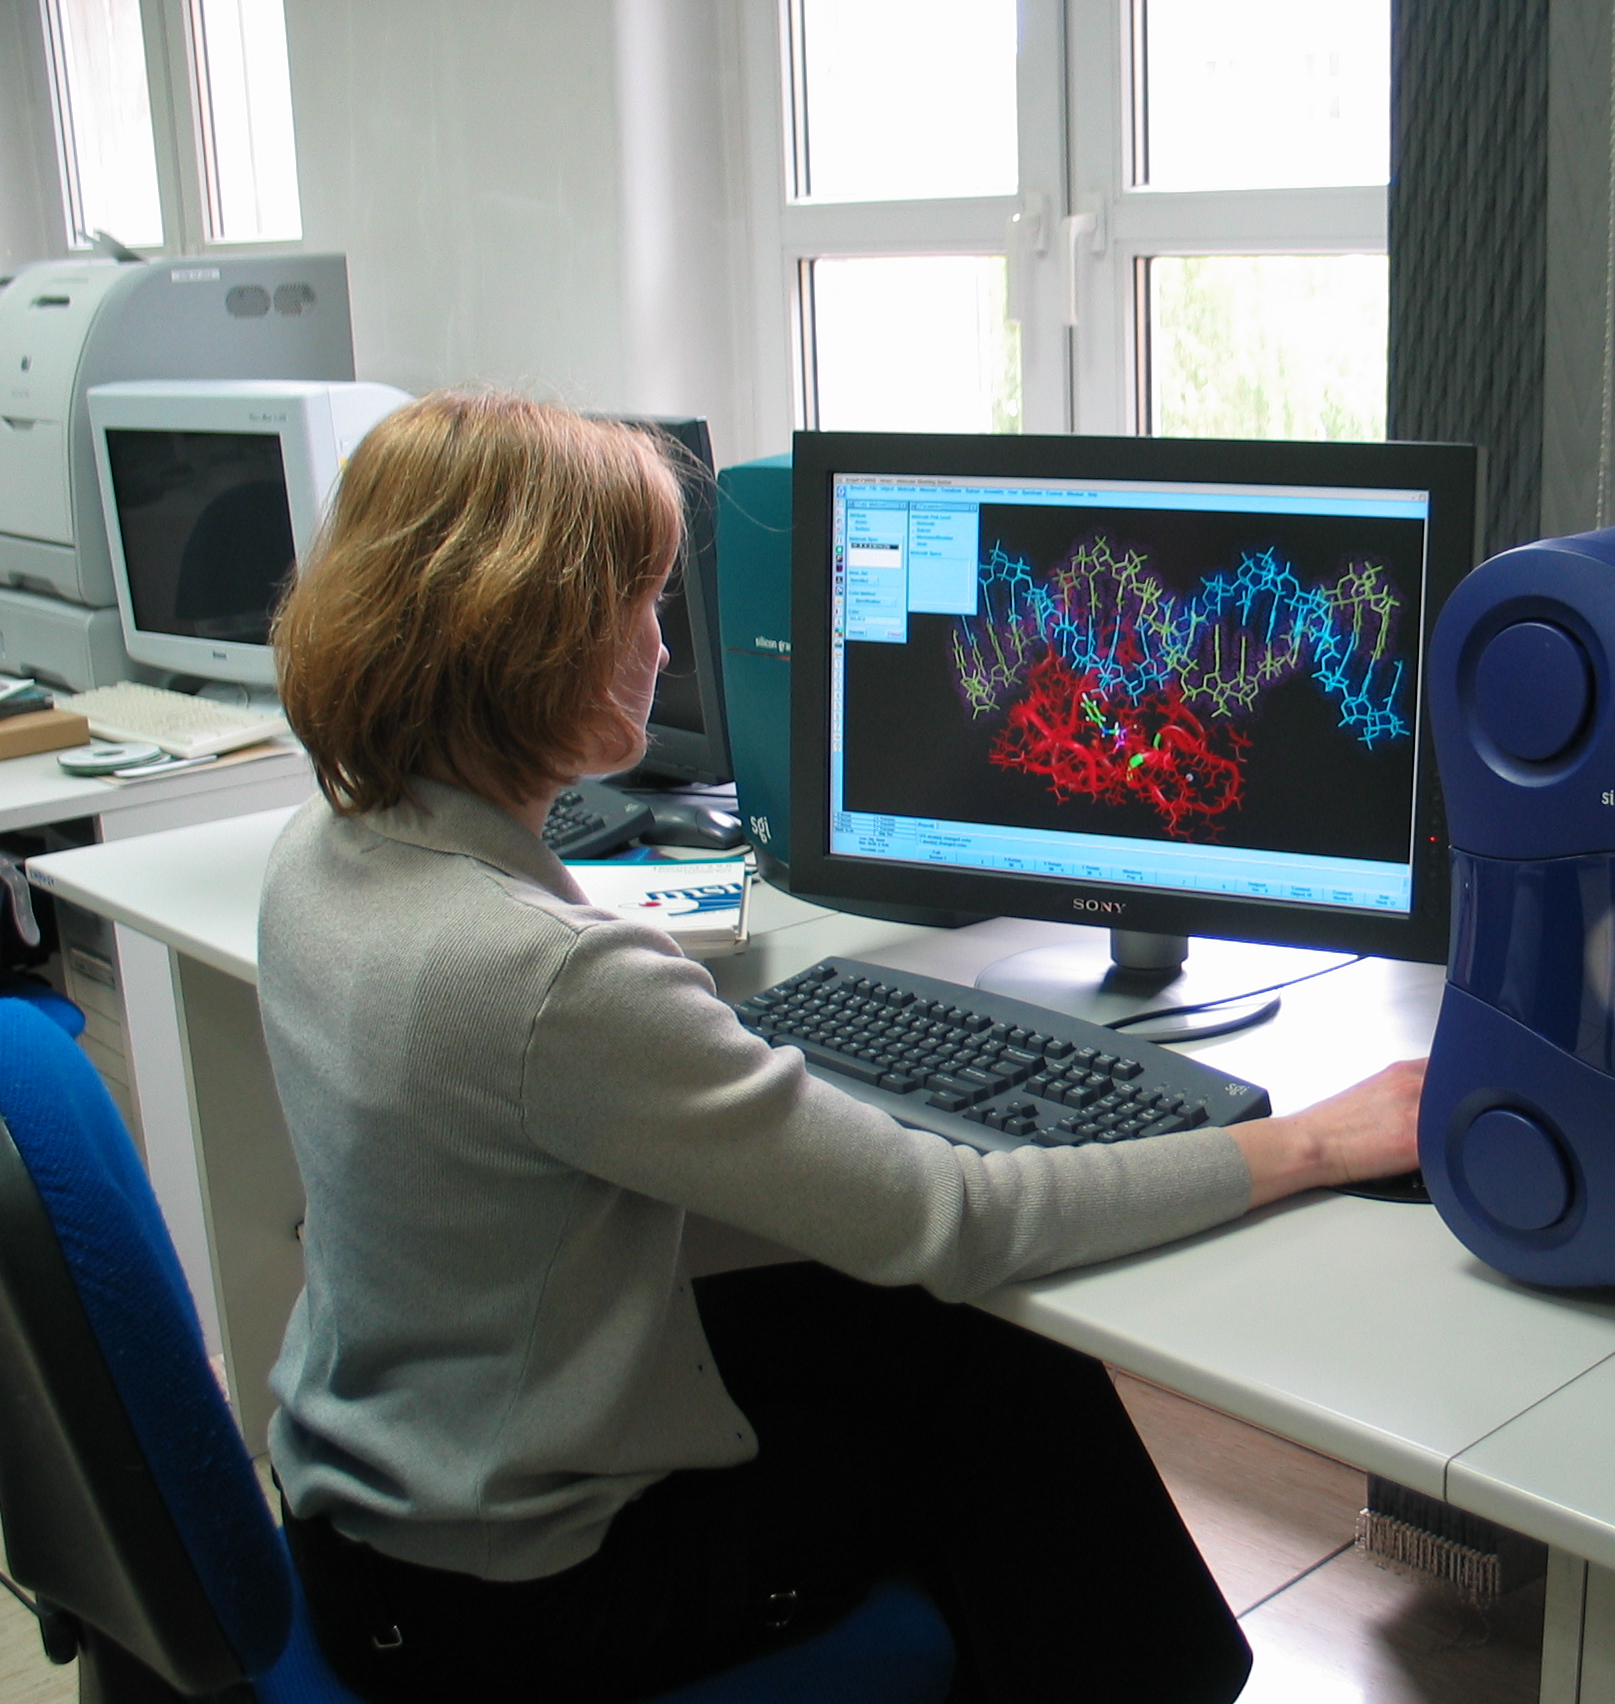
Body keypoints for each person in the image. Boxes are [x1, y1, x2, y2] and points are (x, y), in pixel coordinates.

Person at [259, 391, 1426, 1704]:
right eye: (639, 606)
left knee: (956, 1344)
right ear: (527, 647)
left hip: (371, 1510)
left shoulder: (324, 850)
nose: (663, 643)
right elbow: (955, 1218)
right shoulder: (548, 978)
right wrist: (1312, 1143)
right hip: (522, 1603)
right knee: (1010, 1422)